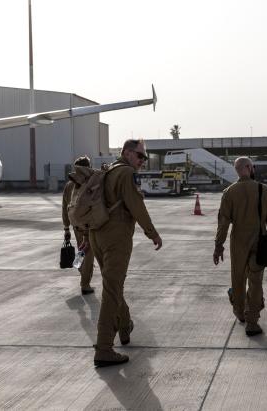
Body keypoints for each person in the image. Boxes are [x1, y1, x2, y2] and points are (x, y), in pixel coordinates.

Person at [87, 139, 163, 367]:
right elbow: (136, 205)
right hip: (115, 238)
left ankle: (125, 325)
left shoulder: (107, 171)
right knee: (112, 291)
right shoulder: (126, 173)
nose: (143, 161)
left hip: (97, 234)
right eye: (140, 156)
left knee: (113, 287)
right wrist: (153, 233)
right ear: (128, 153)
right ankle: (104, 348)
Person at [213, 157, 267, 337]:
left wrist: (218, 245)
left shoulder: (229, 192)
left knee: (238, 278)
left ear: (237, 170)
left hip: (238, 242)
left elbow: (223, 223)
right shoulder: (263, 190)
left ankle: (239, 311)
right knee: (256, 281)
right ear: (249, 168)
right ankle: (252, 321)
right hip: (260, 240)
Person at [62, 156, 96, 295]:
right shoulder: (92, 183)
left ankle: (80, 268)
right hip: (89, 225)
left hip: (76, 225)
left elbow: (65, 207)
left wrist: (66, 227)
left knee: (82, 251)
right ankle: (85, 284)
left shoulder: (69, 184)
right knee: (89, 254)